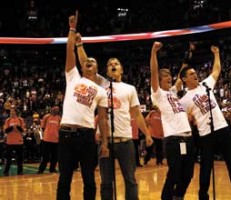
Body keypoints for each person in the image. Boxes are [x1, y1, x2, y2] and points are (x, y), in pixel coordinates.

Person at [76, 31, 153, 200]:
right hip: (105, 141)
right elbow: (85, 63)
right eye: (110, 63)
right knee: (106, 183)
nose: (113, 65)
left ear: (121, 69)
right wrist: (79, 45)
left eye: (116, 63)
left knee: (130, 180)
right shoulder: (102, 84)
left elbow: (137, 114)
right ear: (107, 70)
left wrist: (147, 134)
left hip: (125, 140)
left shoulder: (130, 88)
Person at [179, 45, 231, 200]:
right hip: (205, 134)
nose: (195, 75)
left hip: (222, 129)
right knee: (205, 168)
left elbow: (216, 70)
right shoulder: (185, 100)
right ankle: (203, 196)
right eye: (191, 74)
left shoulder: (205, 85)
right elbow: (179, 116)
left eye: (195, 73)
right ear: (184, 79)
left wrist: (217, 54)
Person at [56, 14, 109, 200]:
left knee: (89, 180)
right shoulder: (73, 77)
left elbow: (102, 119)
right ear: (83, 65)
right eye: (88, 61)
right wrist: (71, 28)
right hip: (65, 134)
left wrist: (104, 143)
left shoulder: (101, 91)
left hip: (87, 136)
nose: (90, 62)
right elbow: (69, 51)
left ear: (96, 69)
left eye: (93, 62)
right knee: (64, 180)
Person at [150, 41, 194, 200]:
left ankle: (178, 197)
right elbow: (154, 72)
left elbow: (181, 75)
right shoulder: (158, 94)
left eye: (170, 75)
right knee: (174, 174)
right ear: (160, 81)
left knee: (188, 174)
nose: (169, 77)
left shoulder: (173, 92)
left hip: (188, 138)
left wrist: (188, 54)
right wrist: (154, 52)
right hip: (173, 139)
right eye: (166, 76)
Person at [3, 107, 26, 176]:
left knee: (19, 158)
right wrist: (13, 127)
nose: (11, 112)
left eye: (13, 111)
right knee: (8, 158)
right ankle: (6, 171)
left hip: (19, 141)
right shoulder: (8, 120)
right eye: (10, 111)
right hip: (10, 141)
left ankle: (20, 171)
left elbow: (23, 130)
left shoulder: (20, 119)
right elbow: (6, 130)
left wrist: (17, 127)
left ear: (16, 112)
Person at [37, 106, 61, 174]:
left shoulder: (59, 118)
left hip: (55, 140)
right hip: (47, 139)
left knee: (54, 156)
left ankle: (52, 169)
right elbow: (43, 127)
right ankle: (41, 170)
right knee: (45, 156)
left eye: (57, 110)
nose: (56, 111)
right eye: (55, 110)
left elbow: (59, 129)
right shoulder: (46, 117)